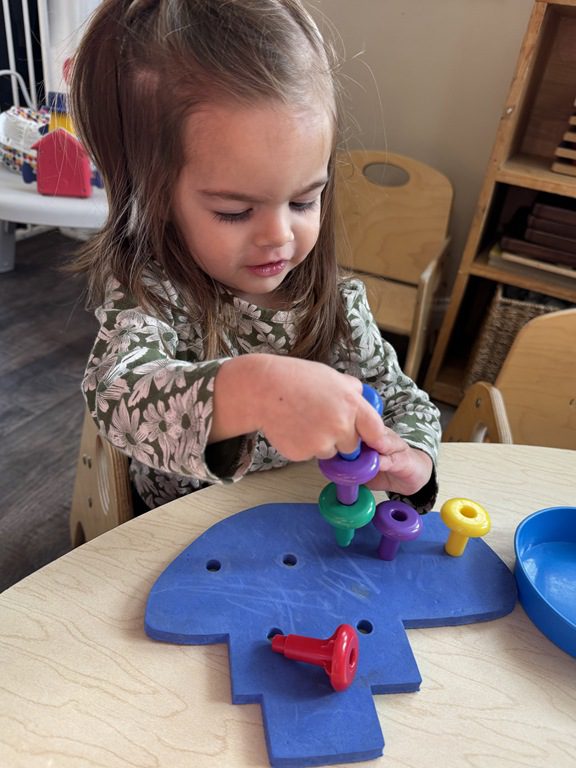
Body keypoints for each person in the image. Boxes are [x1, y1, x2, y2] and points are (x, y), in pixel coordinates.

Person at [69, 0, 441, 513]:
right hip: (177, 524)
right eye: (236, 211)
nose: (279, 235)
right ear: (158, 198)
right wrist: (253, 389)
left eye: (304, 201)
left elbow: (402, 398)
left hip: (296, 515)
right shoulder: (154, 292)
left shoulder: (337, 305)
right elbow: (116, 397)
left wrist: (412, 455)